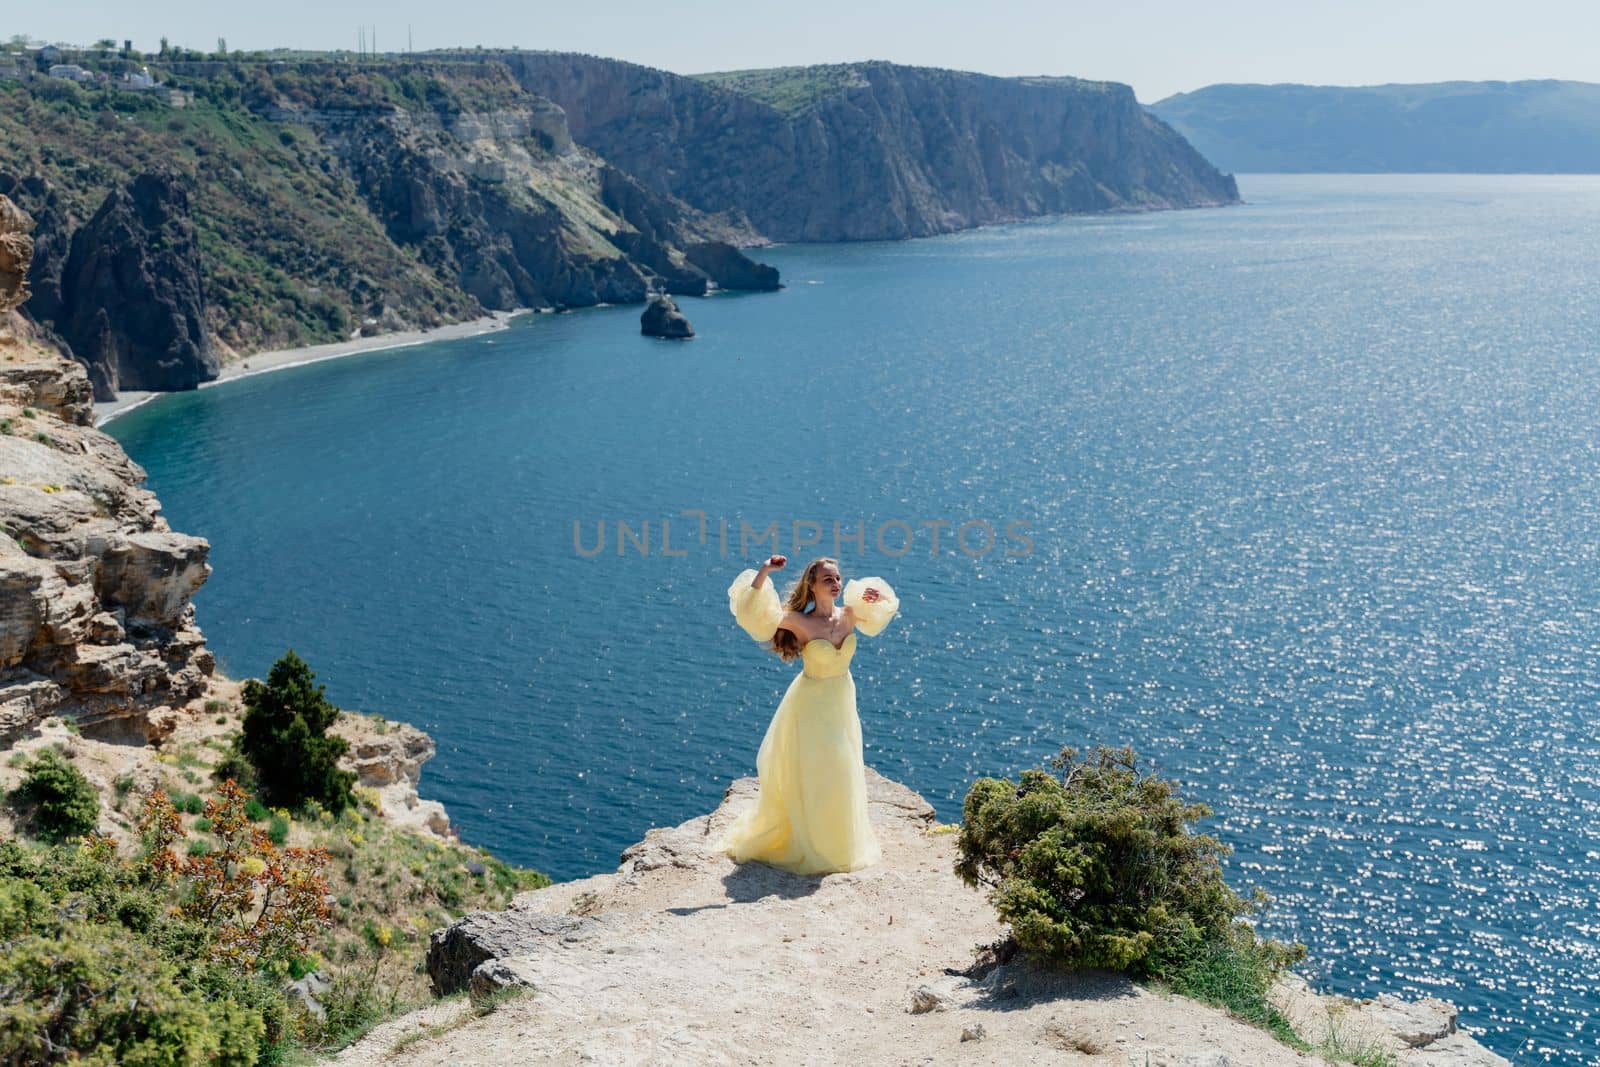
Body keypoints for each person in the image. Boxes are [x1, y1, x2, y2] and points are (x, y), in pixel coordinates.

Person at [715, 554, 899, 875]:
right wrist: (764, 571)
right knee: (818, 771)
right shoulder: (800, 622)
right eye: (828, 579)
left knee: (842, 767)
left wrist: (876, 596)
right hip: (810, 706)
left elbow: (886, 606)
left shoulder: (851, 615)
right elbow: (753, 612)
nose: (836, 583)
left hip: (841, 700)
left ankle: (837, 843)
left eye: (838, 578)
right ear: (811, 586)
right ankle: (809, 840)